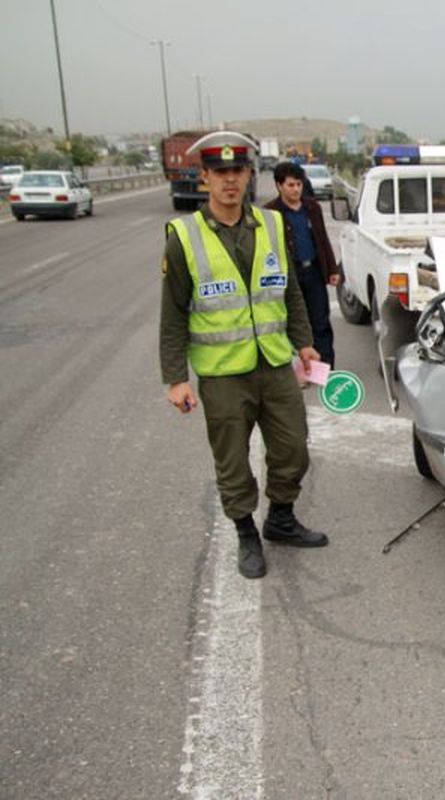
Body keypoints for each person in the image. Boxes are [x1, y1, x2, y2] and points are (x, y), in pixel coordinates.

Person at [159, 131, 330, 580]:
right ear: (205, 178)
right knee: (232, 460)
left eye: (237, 171)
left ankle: (280, 518)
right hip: (223, 374)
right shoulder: (184, 237)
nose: (230, 180)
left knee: (293, 447)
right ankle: (245, 532)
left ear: (249, 175)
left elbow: (289, 290)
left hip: (274, 364)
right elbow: (173, 312)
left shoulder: (271, 225)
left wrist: (304, 340)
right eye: (220, 172)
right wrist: (176, 377)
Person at [265, 161, 341, 367]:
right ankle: (300, 369)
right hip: (289, 276)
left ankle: (325, 367)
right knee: (294, 323)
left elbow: (322, 239)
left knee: (321, 322)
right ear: (279, 186)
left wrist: (332, 269)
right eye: (290, 185)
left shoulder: (312, 207)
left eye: (298, 184)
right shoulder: (270, 212)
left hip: (314, 272)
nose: (296, 189)